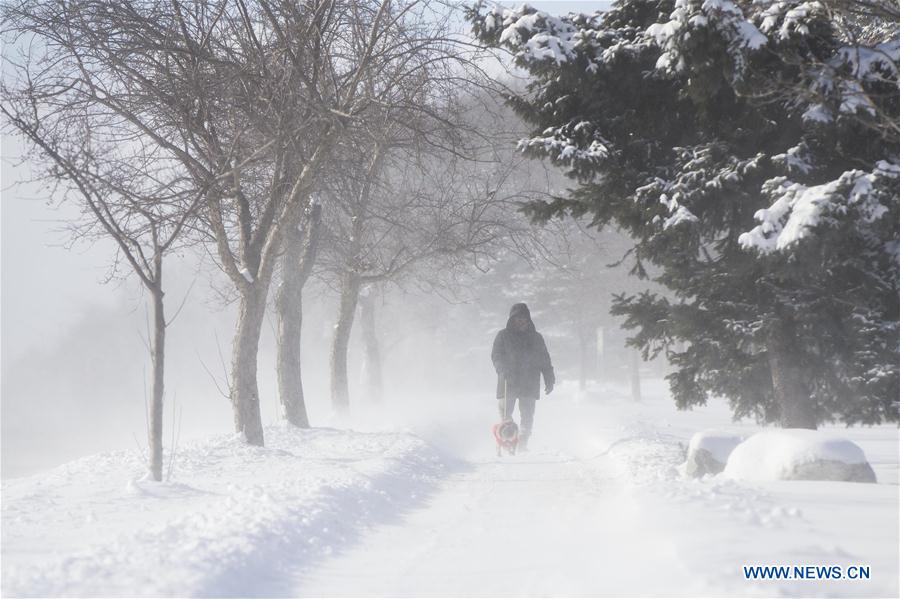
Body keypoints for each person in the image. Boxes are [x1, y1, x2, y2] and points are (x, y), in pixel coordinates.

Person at [491, 303, 555, 451]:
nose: (520, 321)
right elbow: (496, 355)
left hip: (529, 381)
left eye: (523, 318)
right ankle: (508, 438)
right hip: (508, 380)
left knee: (527, 414)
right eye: (517, 318)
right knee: (505, 414)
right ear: (511, 319)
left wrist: (549, 378)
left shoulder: (536, 338)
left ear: (528, 319)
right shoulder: (503, 336)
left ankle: (523, 441)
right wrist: (501, 369)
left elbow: (544, 359)